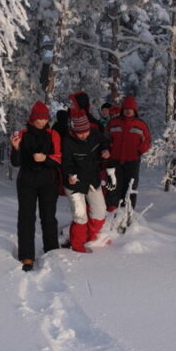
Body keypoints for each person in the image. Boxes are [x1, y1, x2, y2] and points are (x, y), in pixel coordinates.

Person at [10, 101, 61, 272]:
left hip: (48, 181)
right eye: (39, 118)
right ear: (32, 119)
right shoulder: (22, 134)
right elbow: (15, 163)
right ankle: (27, 256)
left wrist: (45, 159)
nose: (42, 121)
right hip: (26, 181)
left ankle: (52, 251)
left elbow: (59, 159)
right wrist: (16, 148)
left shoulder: (53, 134)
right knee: (26, 218)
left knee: (48, 217)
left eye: (45, 118)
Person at [60, 108, 115, 252]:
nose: (84, 135)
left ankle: (91, 237)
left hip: (92, 180)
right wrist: (69, 175)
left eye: (86, 131)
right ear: (73, 130)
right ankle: (77, 246)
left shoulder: (95, 134)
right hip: (74, 184)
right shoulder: (67, 141)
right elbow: (65, 164)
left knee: (100, 211)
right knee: (80, 216)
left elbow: (105, 142)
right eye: (80, 133)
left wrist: (106, 150)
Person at [105, 95, 151, 215]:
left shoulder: (140, 124)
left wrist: (139, 150)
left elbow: (147, 140)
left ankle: (128, 214)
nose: (128, 111)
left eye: (130, 109)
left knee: (130, 188)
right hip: (114, 161)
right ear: (122, 109)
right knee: (113, 187)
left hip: (132, 161)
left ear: (135, 110)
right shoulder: (113, 123)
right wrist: (107, 149)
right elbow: (105, 139)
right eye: (126, 108)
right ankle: (112, 213)